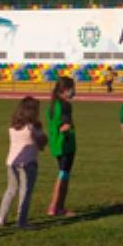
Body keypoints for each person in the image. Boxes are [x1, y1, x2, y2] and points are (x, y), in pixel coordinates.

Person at [0, 97, 47, 229]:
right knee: (25, 192)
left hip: (12, 162)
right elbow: (42, 143)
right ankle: (21, 221)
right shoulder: (33, 127)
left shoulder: (13, 126)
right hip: (29, 163)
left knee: (11, 190)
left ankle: (1, 218)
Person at [46, 76, 77, 217]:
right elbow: (64, 124)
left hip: (56, 144)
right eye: (72, 88)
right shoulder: (65, 105)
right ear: (65, 89)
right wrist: (68, 126)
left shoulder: (52, 104)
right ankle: (56, 206)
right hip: (65, 144)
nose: (74, 91)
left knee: (62, 173)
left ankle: (57, 206)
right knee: (63, 175)